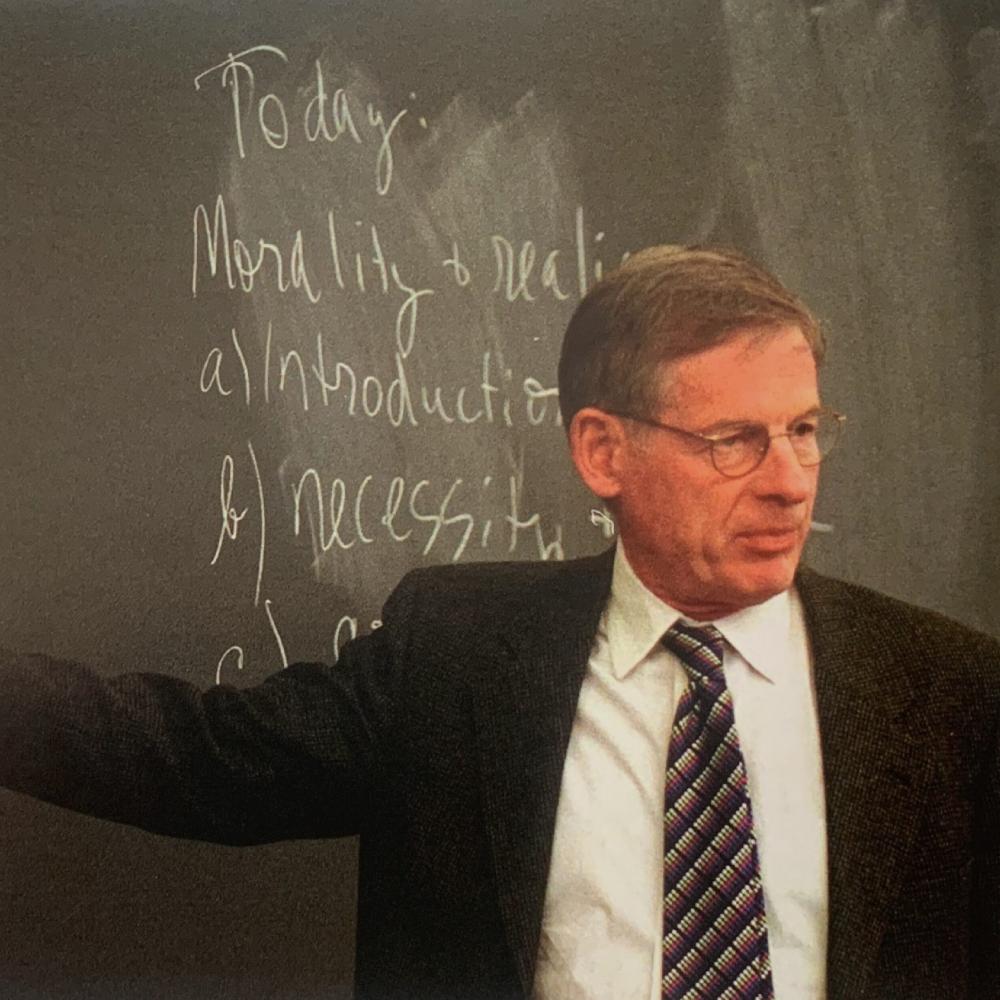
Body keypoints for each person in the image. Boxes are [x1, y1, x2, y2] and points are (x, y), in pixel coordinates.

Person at [2, 245, 998, 1000]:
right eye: (734, 440)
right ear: (604, 452)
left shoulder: (947, 692)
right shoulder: (462, 652)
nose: (790, 483)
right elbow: (201, 760)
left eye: (803, 431)